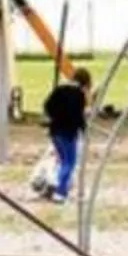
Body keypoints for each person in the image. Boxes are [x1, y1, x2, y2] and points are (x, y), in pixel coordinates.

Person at [41, 65, 92, 202]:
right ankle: (60, 192)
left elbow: (47, 105)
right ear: (85, 83)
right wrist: (84, 129)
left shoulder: (60, 89)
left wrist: (55, 117)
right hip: (68, 133)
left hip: (55, 130)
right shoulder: (79, 95)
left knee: (62, 161)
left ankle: (55, 186)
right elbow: (78, 116)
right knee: (69, 162)